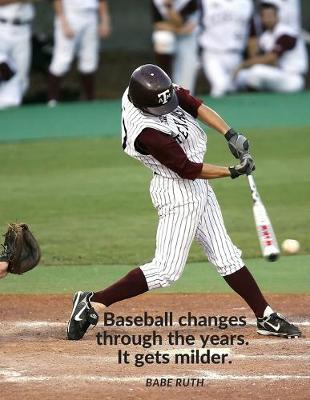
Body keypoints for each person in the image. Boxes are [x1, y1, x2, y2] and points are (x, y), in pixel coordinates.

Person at [67, 64, 301, 341]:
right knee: (166, 270)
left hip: (197, 187)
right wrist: (233, 171)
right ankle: (92, 302)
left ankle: (265, 316)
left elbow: (193, 103)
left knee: (226, 256)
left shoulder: (151, 88)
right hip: (178, 192)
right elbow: (187, 168)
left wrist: (230, 133)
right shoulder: (145, 132)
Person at [47, 0, 111, 105]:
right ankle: (52, 100)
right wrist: (63, 22)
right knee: (62, 58)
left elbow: (101, 1)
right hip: (70, 15)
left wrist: (105, 21)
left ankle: (90, 99)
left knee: (89, 59)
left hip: (91, 16)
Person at [235, 2, 308, 93]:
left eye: (270, 15)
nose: (267, 19)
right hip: (277, 75)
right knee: (242, 76)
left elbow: (272, 58)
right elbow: (259, 57)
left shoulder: (286, 33)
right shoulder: (265, 37)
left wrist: (244, 64)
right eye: (264, 16)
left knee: (256, 71)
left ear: (277, 17)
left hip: (293, 78)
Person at [199, 0, 255, 97]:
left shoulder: (246, 3)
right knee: (220, 86)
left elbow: (252, 33)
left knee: (233, 89)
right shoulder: (205, 2)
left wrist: (251, 59)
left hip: (237, 55)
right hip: (213, 54)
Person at [151, 0, 200, 93]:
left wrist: (169, 7)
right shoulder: (157, 2)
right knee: (162, 38)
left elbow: (179, 22)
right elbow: (157, 24)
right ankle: (163, 81)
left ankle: (183, 98)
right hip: (174, 32)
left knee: (186, 86)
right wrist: (179, 30)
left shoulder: (188, 2)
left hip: (188, 37)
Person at [0, 0, 35, 109]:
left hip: (23, 28)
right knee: (4, 66)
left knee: (22, 75)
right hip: (3, 26)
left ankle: (13, 106)